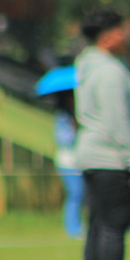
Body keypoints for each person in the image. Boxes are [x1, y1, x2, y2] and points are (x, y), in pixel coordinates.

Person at [75, 8, 130, 260]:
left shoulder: (88, 67)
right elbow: (117, 118)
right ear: (107, 36)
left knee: (97, 228)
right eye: (121, 30)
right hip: (111, 157)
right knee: (112, 229)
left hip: (93, 156)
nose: (126, 36)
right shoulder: (110, 71)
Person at [53, 89, 84, 238]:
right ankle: (72, 227)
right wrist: (75, 129)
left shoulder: (79, 115)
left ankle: (79, 225)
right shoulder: (63, 117)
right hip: (67, 162)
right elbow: (62, 139)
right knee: (75, 194)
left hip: (80, 162)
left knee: (82, 194)